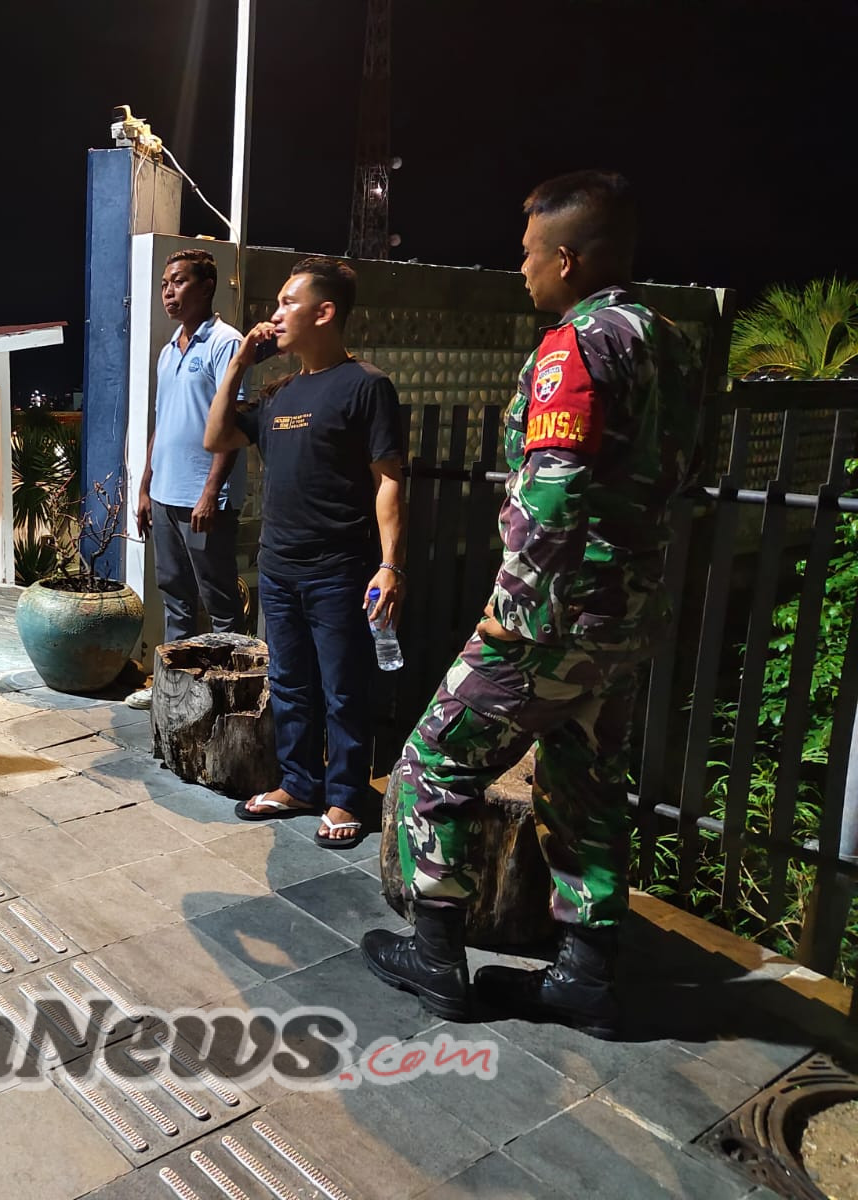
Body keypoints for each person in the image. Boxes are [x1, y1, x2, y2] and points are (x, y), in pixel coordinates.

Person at [360, 171, 701, 1037]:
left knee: (433, 763)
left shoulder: (576, 343)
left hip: (548, 618)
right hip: (626, 618)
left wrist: (510, 611)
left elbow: (552, 493)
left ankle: (436, 958)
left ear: (568, 258)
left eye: (526, 256)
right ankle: (585, 974)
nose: (520, 272)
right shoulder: (673, 344)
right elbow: (674, 481)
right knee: (585, 781)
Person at [205, 257, 405, 848]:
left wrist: (390, 564)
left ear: (326, 312)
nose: (275, 314)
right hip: (279, 566)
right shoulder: (278, 392)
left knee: (343, 686)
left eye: (288, 302)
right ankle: (298, 783)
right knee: (290, 682)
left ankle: (345, 797)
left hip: (339, 570)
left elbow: (389, 480)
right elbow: (215, 436)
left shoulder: (366, 385)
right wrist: (240, 360)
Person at [129, 249, 248, 710]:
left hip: (204, 500)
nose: (168, 292)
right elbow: (164, 421)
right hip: (165, 494)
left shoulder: (225, 343)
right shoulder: (167, 350)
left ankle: (224, 696)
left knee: (219, 603)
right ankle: (172, 690)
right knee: (175, 597)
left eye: (178, 282)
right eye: (164, 284)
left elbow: (233, 424)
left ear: (205, 287)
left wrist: (211, 491)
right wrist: (145, 486)